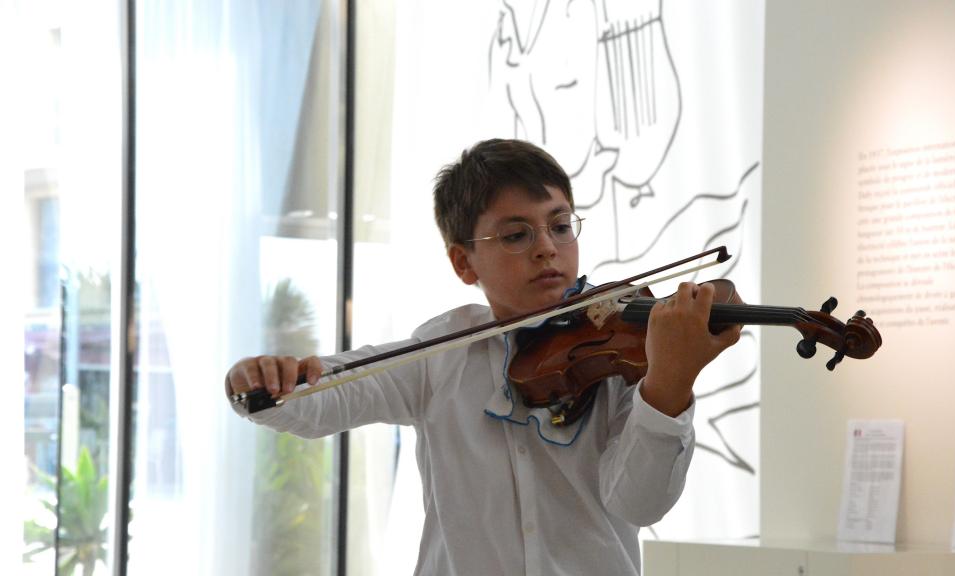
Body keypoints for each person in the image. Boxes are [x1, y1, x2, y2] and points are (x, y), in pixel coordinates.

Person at [225, 138, 742, 575]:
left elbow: (639, 502)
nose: (547, 248)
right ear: (463, 262)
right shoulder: (443, 352)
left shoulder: (627, 357)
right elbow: (326, 398)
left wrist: (670, 383)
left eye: (560, 226)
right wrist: (258, 381)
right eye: (517, 235)